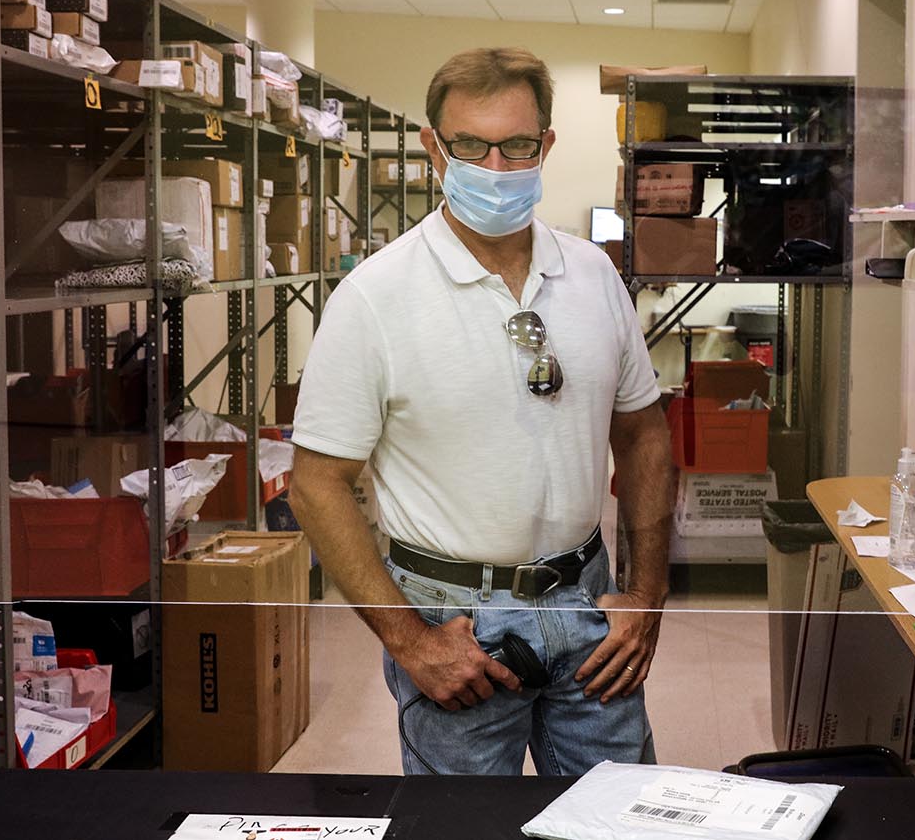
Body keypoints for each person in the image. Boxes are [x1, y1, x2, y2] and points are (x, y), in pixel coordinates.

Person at [289, 46, 675, 776]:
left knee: (619, 822)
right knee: (463, 831)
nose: (495, 168)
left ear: (546, 146)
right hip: (454, 623)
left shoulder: (592, 276)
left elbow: (644, 435)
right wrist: (410, 642)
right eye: (470, 144)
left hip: (587, 605)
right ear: (436, 147)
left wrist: (646, 594)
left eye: (517, 145)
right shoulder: (377, 296)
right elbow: (316, 483)